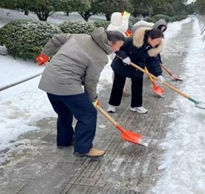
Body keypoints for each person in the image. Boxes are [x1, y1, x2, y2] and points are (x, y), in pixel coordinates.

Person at [35, 28, 125, 159]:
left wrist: (45, 54)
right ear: (110, 43)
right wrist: (92, 99)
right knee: (88, 114)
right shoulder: (100, 57)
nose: (118, 50)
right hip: (66, 84)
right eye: (119, 46)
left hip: (48, 80)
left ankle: (64, 141)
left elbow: (56, 38)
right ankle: (83, 148)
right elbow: (91, 81)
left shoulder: (80, 37)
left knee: (64, 112)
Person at [107, 28, 165, 114]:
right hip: (123, 63)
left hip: (137, 66)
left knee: (137, 86)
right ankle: (112, 105)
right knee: (118, 85)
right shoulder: (132, 40)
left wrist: (158, 74)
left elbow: (153, 60)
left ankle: (136, 105)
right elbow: (118, 48)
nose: (158, 43)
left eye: (160, 41)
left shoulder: (153, 47)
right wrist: (124, 56)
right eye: (157, 40)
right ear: (150, 38)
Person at [107, 11, 131, 97]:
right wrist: (125, 16)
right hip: (118, 53)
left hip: (116, 53)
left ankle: (119, 87)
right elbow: (124, 26)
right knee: (120, 70)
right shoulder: (116, 29)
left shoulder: (111, 27)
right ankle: (122, 88)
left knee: (116, 70)